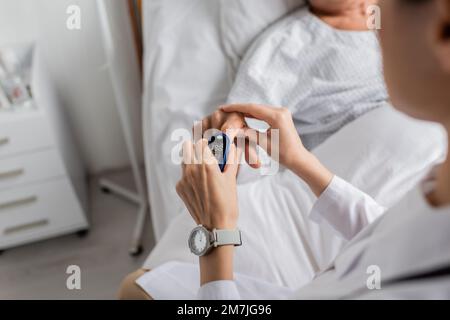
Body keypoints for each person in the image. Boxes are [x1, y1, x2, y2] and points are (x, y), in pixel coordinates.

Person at [118, 0, 450, 299]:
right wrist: (301, 161)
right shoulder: (289, 44)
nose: (375, 28)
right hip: (338, 250)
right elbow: (388, 232)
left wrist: (215, 235)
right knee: (136, 288)